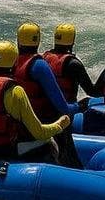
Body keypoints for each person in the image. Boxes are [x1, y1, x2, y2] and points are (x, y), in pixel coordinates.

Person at [13, 22, 82, 168]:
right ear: (37, 40)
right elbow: (62, 107)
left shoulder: (11, 63)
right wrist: (78, 107)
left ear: (18, 40)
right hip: (41, 124)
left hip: (17, 126)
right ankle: (71, 167)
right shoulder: (39, 66)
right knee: (62, 119)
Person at [41, 23, 96, 104]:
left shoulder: (43, 58)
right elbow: (91, 92)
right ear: (72, 40)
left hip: (45, 105)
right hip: (66, 107)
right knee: (88, 101)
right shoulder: (73, 64)